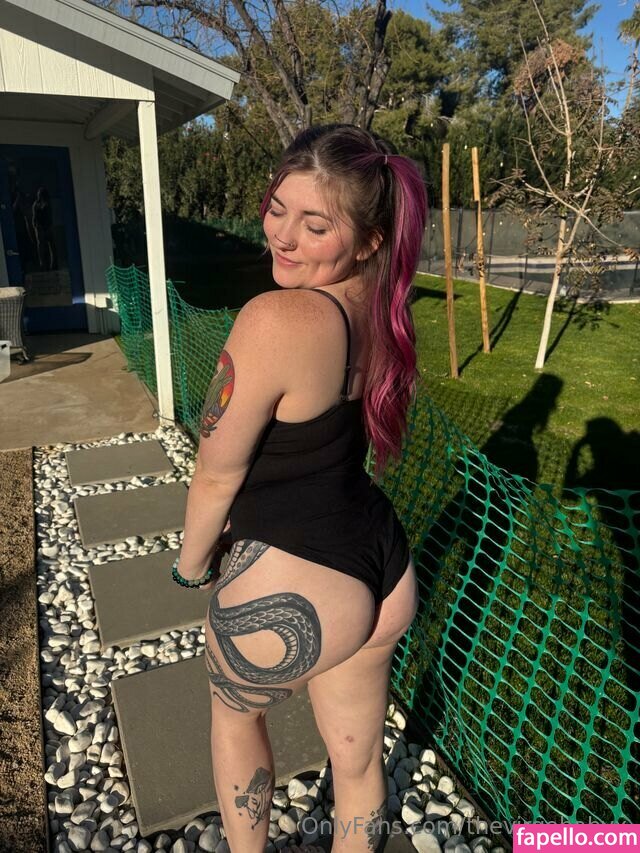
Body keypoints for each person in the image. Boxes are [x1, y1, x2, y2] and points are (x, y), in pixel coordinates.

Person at [173, 124, 428, 852]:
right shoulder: (383, 308)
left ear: (370, 239)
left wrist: (190, 565)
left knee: (234, 720)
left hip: (294, 576)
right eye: (277, 209)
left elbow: (216, 471)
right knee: (357, 761)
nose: (283, 236)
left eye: (316, 225)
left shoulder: (276, 318)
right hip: (383, 568)